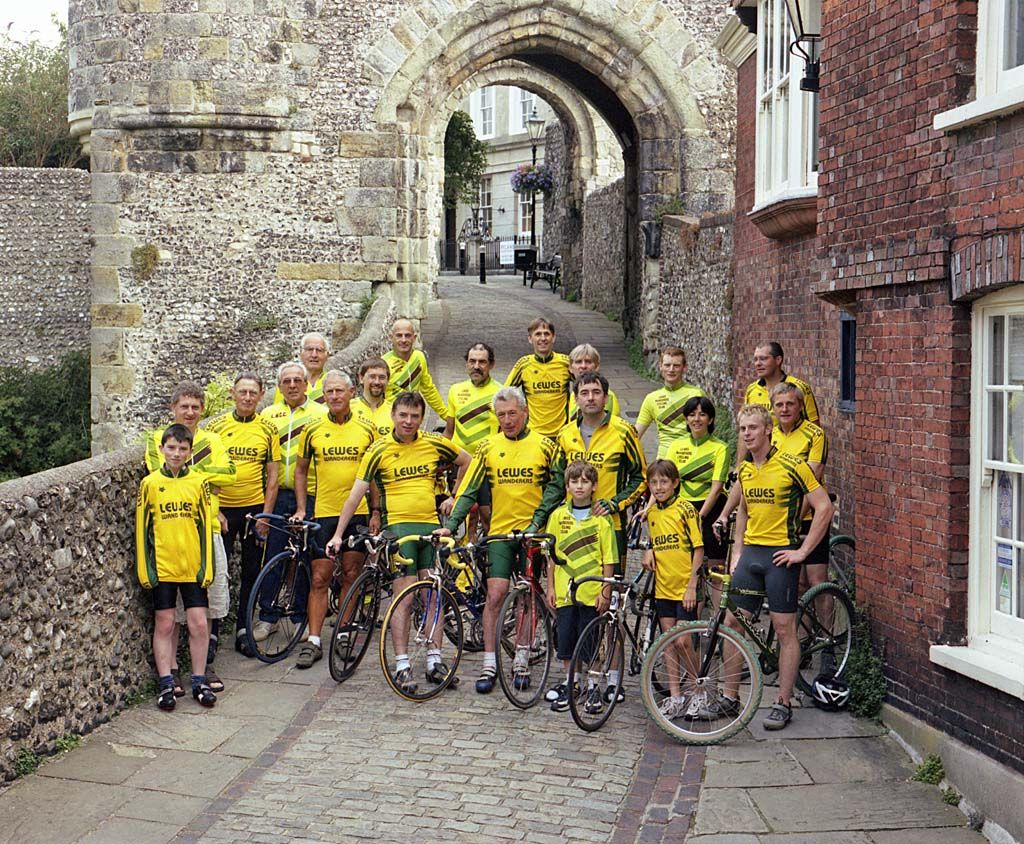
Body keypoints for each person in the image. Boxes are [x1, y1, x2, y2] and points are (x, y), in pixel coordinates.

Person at [326, 392, 471, 693]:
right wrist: (338, 533)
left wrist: (455, 497)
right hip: (398, 532)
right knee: (403, 599)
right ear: (393, 416)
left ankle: (435, 660)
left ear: (422, 418)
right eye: (403, 415)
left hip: (430, 529)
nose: (408, 421)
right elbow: (356, 494)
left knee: (433, 594)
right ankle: (403, 664)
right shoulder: (378, 450)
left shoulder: (433, 442)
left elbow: (468, 462)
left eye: (415, 416)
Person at [711, 404, 833, 731]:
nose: (747, 434)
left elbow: (824, 507)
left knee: (783, 629)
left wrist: (802, 552)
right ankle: (729, 695)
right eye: (742, 429)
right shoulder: (747, 470)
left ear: (768, 429)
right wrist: (737, 553)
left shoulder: (792, 465)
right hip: (751, 555)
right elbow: (745, 514)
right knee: (733, 622)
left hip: (781, 557)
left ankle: (783, 700)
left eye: (752, 427)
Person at [439, 386, 559, 694]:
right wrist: (451, 526)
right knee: (495, 595)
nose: (507, 420)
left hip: (532, 534)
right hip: (500, 534)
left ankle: (521, 658)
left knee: (528, 596)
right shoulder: (487, 447)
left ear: (525, 412)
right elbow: (469, 489)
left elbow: (556, 487)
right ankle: (490, 663)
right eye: (501, 415)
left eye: (512, 414)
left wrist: (539, 521)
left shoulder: (545, 446)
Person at [144, 381, 236, 693]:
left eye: (196, 407)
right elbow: (158, 470)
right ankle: (171, 672)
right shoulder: (157, 438)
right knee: (170, 617)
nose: (190, 412)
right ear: (173, 409)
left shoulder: (212, 438)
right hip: (169, 543)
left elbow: (230, 473)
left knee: (207, 607)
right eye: (184, 406)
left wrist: (199, 475)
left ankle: (204, 667)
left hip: (206, 532)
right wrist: (206, 471)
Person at [292, 371, 379, 669]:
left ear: (352, 392)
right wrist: (303, 508)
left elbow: (376, 475)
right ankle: (313, 640)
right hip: (325, 511)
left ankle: (343, 632)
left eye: (339, 391)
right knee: (319, 577)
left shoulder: (367, 429)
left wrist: (377, 511)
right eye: (328, 392)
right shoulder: (312, 428)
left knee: (352, 574)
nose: (334, 397)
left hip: (357, 514)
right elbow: (300, 470)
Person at [531, 372, 646, 585]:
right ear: (576, 399)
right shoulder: (565, 434)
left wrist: (615, 503)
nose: (590, 398)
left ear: (605, 398)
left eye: (596, 392)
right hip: (571, 524)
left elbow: (641, 477)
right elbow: (556, 482)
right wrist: (539, 519)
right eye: (584, 393)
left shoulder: (624, 432)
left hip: (611, 524)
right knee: (572, 586)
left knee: (611, 589)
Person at [135, 424, 217, 711]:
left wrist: (207, 568)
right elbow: (142, 531)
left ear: (190, 452)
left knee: (197, 623)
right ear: (161, 450)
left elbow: (206, 527)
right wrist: (146, 570)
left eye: (183, 448)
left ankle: (199, 680)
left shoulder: (199, 483)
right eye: (171, 447)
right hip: (163, 567)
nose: (177, 453)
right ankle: (166, 683)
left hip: (192, 567)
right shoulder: (150, 484)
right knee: (166, 624)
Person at [207, 373, 280, 657]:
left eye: (253, 393)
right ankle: (212, 634)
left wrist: (265, 516)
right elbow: (204, 472)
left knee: (251, 571)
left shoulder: (268, 429)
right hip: (222, 510)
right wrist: (215, 509)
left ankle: (243, 630)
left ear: (261, 395)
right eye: (242, 392)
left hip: (253, 508)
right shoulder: (216, 427)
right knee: (216, 574)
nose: (247, 398)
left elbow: (272, 477)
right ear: (232, 394)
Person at [255, 362, 327, 641]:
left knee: (305, 557)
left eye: (298, 380)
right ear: (279, 387)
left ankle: (299, 615)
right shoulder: (268, 415)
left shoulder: (320, 414)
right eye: (287, 381)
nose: (293, 385)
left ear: (307, 384)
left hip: (310, 494)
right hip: (276, 493)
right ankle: (267, 616)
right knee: (273, 555)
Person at [543, 460, 616, 714]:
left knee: (592, 642)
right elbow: (551, 557)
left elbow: (608, 559)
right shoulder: (557, 516)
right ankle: (572, 682)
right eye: (574, 481)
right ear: (567, 485)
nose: (579, 486)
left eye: (585, 481)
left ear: (594, 486)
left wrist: (605, 591)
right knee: (566, 639)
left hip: (591, 591)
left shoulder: (602, 522)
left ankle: (594, 684)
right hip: (565, 591)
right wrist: (550, 587)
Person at [642, 460, 704, 719]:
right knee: (668, 642)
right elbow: (655, 542)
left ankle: (698, 690)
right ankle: (675, 695)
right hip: (663, 587)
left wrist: (692, 585)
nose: (658, 487)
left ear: (675, 483)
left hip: (685, 587)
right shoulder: (652, 513)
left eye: (664, 482)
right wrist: (648, 550)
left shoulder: (686, 509)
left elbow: (698, 548)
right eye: (654, 483)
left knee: (683, 641)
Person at [769, 381, 829, 591]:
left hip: (808, 516)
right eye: (779, 405)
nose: (784, 409)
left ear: (801, 406)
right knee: (796, 583)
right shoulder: (769, 436)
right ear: (773, 408)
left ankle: (826, 625)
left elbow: (812, 478)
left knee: (816, 581)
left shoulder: (814, 434)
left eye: (790, 404)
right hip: (778, 519)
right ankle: (797, 625)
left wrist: (794, 517)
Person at [665, 396, 729, 567]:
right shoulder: (675, 446)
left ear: (711, 419)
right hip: (683, 506)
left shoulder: (721, 448)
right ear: (686, 419)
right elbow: (665, 481)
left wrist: (698, 518)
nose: (697, 419)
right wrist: (649, 507)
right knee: (682, 561)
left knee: (716, 565)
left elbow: (716, 489)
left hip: (712, 507)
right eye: (692, 414)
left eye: (702, 414)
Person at [505, 318, 572, 438]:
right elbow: (506, 395)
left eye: (547, 334)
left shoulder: (565, 363)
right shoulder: (523, 364)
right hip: (533, 435)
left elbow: (586, 384)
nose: (543, 338)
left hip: (562, 434)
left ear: (553, 337)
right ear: (530, 339)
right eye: (538, 334)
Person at [636, 347, 707, 458]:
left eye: (676, 366)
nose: (671, 370)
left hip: (692, 459)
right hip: (664, 463)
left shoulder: (696, 394)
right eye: (667, 365)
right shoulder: (651, 399)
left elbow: (708, 431)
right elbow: (636, 435)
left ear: (685, 368)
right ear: (660, 367)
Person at [383, 319, 447, 419]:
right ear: (391, 337)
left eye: (407, 335)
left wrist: (446, 415)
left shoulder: (419, 357)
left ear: (414, 338)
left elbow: (428, 389)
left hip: (412, 418)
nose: (403, 340)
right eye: (399, 335)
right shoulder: (384, 363)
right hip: (390, 419)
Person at [444, 342, 501, 453]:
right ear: (466, 364)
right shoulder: (455, 390)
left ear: (492, 365)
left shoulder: (501, 393)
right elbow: (449, 432)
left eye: (482, 362)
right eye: (472, 361)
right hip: (459, 460)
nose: (476, 366)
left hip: (487, 459)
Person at [743, 341, 819, 425]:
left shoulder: (799, 387)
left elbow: (814, 426)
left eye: (763, 359)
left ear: (778, 360)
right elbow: (746, 423)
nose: (758, 363)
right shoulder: (751, 389)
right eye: (755, 359)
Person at [272, 332, 331, 405]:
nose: (314, 355)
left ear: (327, 355)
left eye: (319, 350)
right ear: (301, 353)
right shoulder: (288, 383)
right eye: (309, 349)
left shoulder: (332, 381)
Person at [567, 343, 621, 419]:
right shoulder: (573, 394)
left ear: (596, 366)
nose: (583, 366)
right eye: (578, 362)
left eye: (588, 362)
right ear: (570, 368)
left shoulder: (607, 396)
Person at [352, 357, 393, 436]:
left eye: (382, 377)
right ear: (361, 378)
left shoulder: (395, 412)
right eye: (372, 377)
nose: (377, 382)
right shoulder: (348, 409)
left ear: (388, 381)